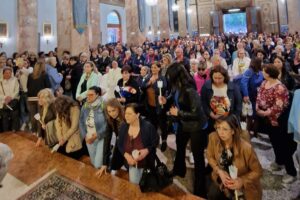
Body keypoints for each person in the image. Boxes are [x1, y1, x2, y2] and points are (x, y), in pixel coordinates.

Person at [159, 62, 207, 198]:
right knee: (180, 148)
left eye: (170, 77)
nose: (168, 79)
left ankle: (200, 189)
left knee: (198, 158)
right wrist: (166, 100)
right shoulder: (177, 86)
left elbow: (197, 113)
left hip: (196, 126)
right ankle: (178, 170)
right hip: (184, 124)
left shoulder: (189, 89)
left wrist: (178, 114)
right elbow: (173, 97)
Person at [256, 64, 297, 183]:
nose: (262, 73)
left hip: (278, 120)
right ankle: (279, 161)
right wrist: (258, 108)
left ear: (269, 73)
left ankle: (291, 172)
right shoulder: (264, 83)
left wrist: (266, 113)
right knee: (274, 141)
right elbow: (259, 96)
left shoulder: (280, 87)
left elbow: (279, 106)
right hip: (267, 119)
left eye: (264, 71)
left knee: (283, 145)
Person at [206, 115, 262, 200]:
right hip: (222, 181)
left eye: (225, 129)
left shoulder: (246, 148)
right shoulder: (213, 137)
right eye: (218, 128)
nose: (220, 132)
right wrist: (219, 171)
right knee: (212, 195)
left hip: (242, 187)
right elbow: (209, 156)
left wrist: (241, 181)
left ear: (232, 131)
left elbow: (258, 171)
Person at [117, 103, 158, 184]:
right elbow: (120, 144)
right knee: (134, 183)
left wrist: (146, 150)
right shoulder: (123, 127)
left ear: (137, 114)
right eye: (125, 113)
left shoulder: (148, 127)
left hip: (146, 162)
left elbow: (155, 141)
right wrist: (126, 155)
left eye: (130, 114)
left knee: (146, 182)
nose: (126, 116)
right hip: (131, 163)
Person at [201, 65, 242, 133]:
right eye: (215, 78)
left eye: (220, 78)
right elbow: (203, 102)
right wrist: (211, 114)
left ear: (225, 77)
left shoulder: (233, 87)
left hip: (229, 122)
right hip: (212, 122)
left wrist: (230, 119)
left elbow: (238, 106)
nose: (217, 81)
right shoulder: (206, 86)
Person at [80, 86, 110, 176]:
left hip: (100, 137)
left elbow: (108, 124)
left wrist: (97, 135)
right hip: (88, 137)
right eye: (87, 95)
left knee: (98, 164)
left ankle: (108, 161)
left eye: (91, 95)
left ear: (97, 95)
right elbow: (81, 121)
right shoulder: (85, 105)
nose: (88, 97)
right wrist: (84, 135)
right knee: (93, 162)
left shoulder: (104, 105)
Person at [141, 62, 168, 151]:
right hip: (150, 106)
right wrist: (149, 82)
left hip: (159, 106)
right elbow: (142, 87)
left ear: (159, 69)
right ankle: (155, 141)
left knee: (162, 125)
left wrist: (155, 82)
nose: (153, 69)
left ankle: (164, 140)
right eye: (152, 67)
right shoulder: (148, 77)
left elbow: (163, 88)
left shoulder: (162, 78)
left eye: (155, 67)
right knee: (153, 125)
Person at [104, 98, 125, 173]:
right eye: (109, 111)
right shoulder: (110, 119)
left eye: (113, 110)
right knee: (114, 165)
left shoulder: (127, 116)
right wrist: (104, 163)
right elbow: (107, 138)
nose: (112, 113)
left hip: (131, 145)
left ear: (119, 108)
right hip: (120, 143)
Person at [0, 67, 20, 132]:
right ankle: (6, 132)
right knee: (5, 118)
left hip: (13, 101)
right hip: (3, 102)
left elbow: (17, 91)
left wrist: (10, 97)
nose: (8, 74)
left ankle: (14, 131)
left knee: (15, 116)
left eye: (9, 73)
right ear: (3, 74)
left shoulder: (15, 80)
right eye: (6, 73)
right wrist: (5, 97)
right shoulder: (0, 81)